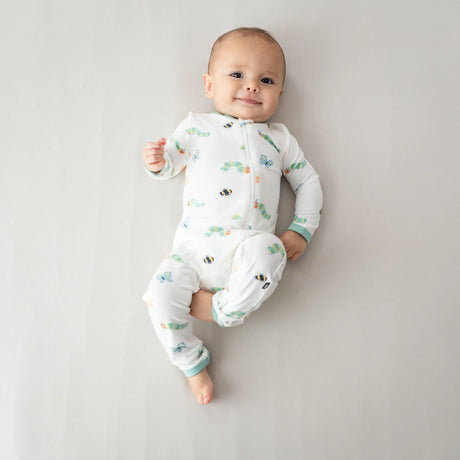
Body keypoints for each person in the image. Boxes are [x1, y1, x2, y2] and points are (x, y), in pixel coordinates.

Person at [142, 27, 323, 405]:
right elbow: (171, 161)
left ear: (280, 93)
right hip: (192, 250)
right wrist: (158, 160)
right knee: (159, 294)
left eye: (267, 80)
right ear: (209, 85)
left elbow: (307, 181)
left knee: (271, 251)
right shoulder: (197, 127)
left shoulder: (280, 139)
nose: (252, 85)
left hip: (246, 248)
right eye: (237, 74)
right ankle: (190, 362)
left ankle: (222, 309)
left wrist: (301, 228)